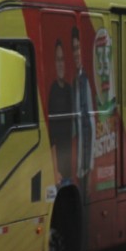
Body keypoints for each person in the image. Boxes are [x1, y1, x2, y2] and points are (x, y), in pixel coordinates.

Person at [48, 39, 73, 185]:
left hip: (71, 165)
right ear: (54, 63)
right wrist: (55, 170)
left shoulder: (69, 89)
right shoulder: (53, 92)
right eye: (57, 60)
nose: (60, 64)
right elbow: (52, 138)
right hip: (60, 170)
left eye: (62, 59)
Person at [71, 26, 96, 180]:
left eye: (79, 48)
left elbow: (91, 115)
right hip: (79, 153)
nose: (77, 53)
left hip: (87, 151)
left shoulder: (87, 79)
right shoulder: (73, 81)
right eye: (74, 49)